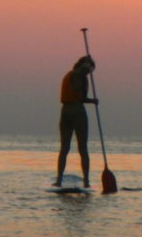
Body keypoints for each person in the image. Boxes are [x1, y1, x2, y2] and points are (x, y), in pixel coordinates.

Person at [53, 56, 98, 188]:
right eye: (88, 70)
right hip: (77, 111)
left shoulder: (71, 75)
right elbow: (80, 97)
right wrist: (93, 101)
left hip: (65, 111)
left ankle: (60, 180)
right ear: (83, 65)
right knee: (82, 148)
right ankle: (86, 181)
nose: (88, 73)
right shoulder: (78, 76)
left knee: (65, 148)